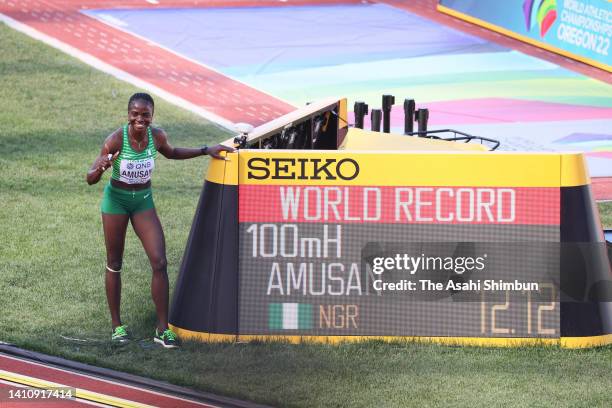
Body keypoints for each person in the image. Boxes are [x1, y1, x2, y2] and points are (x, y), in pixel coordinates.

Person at [86, 92, 234, 348]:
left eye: (145, 114)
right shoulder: (114, 141)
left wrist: (205, 150)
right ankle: (117, 326)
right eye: (135, 114)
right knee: (114, 262)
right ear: (128, 115)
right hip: (117, 201)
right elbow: (90, 179)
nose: (140, 119)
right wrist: (99, 168)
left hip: (143, 200)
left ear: (152, 116)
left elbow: (172, 152)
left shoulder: (157, 136)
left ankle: (162, 330)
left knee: (159, 261)